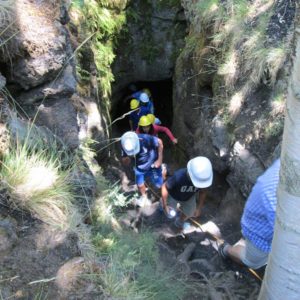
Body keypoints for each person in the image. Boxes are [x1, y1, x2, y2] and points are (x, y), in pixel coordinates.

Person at [218, 159, 280, 270]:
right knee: (251, 262)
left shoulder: (289, 160)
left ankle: (243, 244)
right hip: (259, 231)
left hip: (261, 216)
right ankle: (226, 249)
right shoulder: (273, 201)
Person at [161, 156, 213, 230]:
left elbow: (203, 192)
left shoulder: (203, 179)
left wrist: (199, 208)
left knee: (190, 212)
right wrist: (165, 204)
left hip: (189, 197)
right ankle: (163, 208)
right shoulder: (179, 177)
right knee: (169, 212)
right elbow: (164, 187)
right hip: (173, 195)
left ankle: (180, 221)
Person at [120, 131, 163, 206]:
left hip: (152, 165)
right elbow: (124, 158)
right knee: (140, 184)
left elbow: (159, 142)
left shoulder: (145, 138)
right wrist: (126, 160)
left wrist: (159, 159)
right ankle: (144, 197)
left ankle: (161, 198)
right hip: (139, 168)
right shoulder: (125, 144)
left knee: (159, 184)